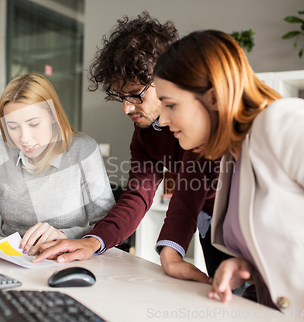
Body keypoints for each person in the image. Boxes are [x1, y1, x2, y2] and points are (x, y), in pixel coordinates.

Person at [153, 29, 304, 312]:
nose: (162, 120)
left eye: (170, 105)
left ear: (213, 97)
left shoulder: (283, 122)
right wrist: (246, 266)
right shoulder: (232, 158)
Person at [34, 12, 227, 285]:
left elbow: (191, 187)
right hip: (209, 223)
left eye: (136, 95)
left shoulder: (205, 121)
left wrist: (171, 251)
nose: (126, 108)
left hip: (241, 219)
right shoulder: (145, 135)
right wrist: (92, 242)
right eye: (121, 97)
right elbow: (137, 196)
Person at [0, 73, 115, 257]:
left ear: (53, 116)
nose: (24, 138)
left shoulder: (83, 149)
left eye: (34, 124)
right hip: (10, 259)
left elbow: (107, 225)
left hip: (66, 259)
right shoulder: (1, 148)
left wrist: (65, 236)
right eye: (13, 127)